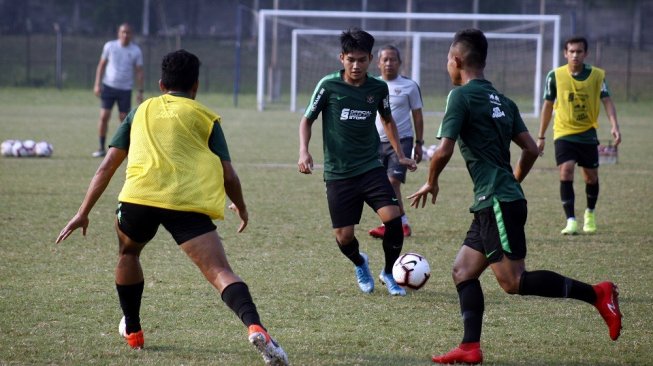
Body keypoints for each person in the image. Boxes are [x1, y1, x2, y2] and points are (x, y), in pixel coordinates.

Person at [56, 50, 288, 365]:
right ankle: (255, 326)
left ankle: (134, 331)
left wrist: (83, 212)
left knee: (128, 254)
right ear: (196, 86)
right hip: (186, 203)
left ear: (161, 83)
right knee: (220, 271)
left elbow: (107, 166)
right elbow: (229, 174)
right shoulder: (206, 117)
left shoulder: (140, 110)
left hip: (138, 199)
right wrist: (242, 207)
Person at [408, 29, 622, 365]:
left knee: (513, 281)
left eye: (448, 60)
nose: (447, 66)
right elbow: (531, 149)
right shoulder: (504, 101)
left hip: (495, 200)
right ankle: (469, 347)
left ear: (458, 61)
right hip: (495, 199)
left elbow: (443, 151)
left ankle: (598, 294)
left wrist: (431, 181)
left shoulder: (460, 97)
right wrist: (513, 181)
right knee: (463, 271)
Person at [298, 28, 417, 296]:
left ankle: (388, 273)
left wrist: (399, 154)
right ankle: (360, 262)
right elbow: (307, 119)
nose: (356, 65)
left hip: (370, 167)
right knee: (344, 237)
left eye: (362, 60)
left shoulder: (377, 88)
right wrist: (303, 151)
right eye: (351, 59)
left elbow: (387, 120)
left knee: (393, 220)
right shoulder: (328, 86)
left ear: (370, 59)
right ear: (342, 58)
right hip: (339, 173)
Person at [537, 36, 621, 235]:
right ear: (565, 53)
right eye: (571, 51)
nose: (575, 55)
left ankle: (589, 213)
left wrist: (615, 126)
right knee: (566, 170)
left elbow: (607, 101)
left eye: (579, 51)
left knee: (590, 178)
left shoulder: (597, 76)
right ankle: (571, 220)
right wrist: (541, 136)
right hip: (563, 132)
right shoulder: (554, 76)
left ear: (586, 53)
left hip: (587, 133)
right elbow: (548, 106)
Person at [368, 44, 425, 239]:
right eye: (385, 59)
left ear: (400, 63)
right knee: (378, 185)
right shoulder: (371, 85)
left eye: (393, 59)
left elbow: (417, 115)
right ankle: (399, 223)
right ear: (378, 63)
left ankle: (395, 225)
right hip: (375, 142)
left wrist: (419, 142)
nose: (389, 63)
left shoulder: (409, 86)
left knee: (392, 182)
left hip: (402, 141)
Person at [92, 23, 145, 158]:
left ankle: (126, 150)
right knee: (104, 117)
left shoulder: (135, 51)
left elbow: (139, 72)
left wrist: (140, 91)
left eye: (128, 33)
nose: (125, 35)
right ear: (118, 33)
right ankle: (101, 147)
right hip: (108, 86)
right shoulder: (110, 46)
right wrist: (97, 84)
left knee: (124, 120)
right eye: (123, 32)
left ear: (131, 35)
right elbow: (101, 65)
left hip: (125, 89)